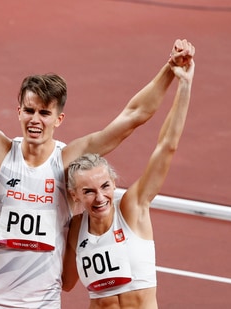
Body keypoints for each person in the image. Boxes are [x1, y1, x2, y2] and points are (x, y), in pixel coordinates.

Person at [0, 9, 195, 308]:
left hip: (43, 302)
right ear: (18, 111)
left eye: (44, 113)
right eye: (29, 111)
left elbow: (133, 117)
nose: (35, 120)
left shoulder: (68, 160)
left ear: (59, 118)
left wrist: (169, 70)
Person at [62, 58, 194, 308]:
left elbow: (167, 147)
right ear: (74, 195)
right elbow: (67, 283)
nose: (100, 198)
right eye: (88, 191)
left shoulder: (132, 208)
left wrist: (184, 85)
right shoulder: (75, 229)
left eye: (105, 187)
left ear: (113, 183)